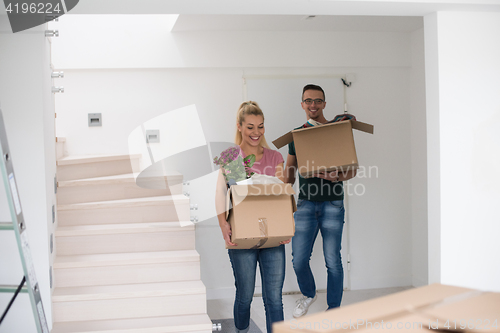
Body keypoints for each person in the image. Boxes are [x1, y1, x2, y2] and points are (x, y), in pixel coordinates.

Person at [215, 101, 290, 333]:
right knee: (245, 295)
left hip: (272, 237)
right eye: (250, 127)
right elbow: (220, 194)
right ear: (239, 127)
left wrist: (287, 226)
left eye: (260, 126)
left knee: (274, 299)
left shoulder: (275, 157)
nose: (256, 132)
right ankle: (242, 330)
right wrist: (223, 225)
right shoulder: (230, 157)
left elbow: (282, 196)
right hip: (242, 235)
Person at [284, 84, 357, 317]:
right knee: (298, 260)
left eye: (317, 101)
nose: (313, 105)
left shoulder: (337, 130)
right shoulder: (297, 134)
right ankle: (308, 294)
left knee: (333, 260)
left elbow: (353, 170)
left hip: (332, 203)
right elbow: (290, 170)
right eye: (308, 101)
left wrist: (338, 176)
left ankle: (333, 308)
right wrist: (284, 192)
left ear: (324, 104)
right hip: (305, 203)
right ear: (302, 104)